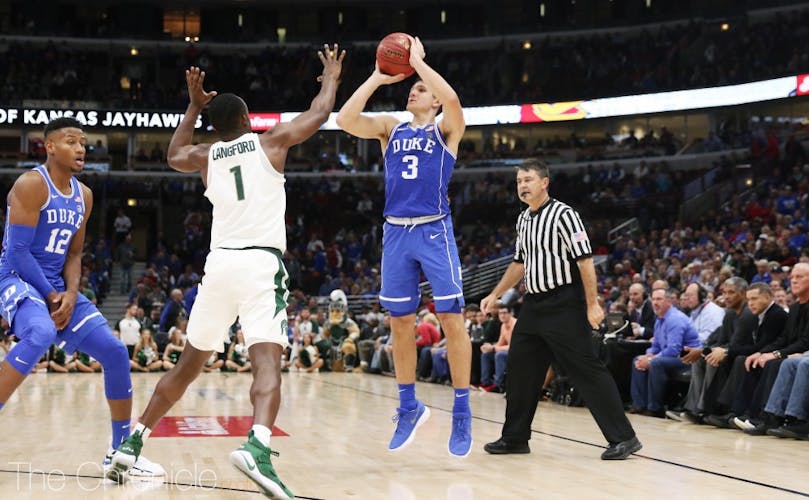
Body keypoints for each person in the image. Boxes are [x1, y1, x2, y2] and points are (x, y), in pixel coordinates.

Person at [108, 48, 344, 499]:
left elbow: (174, 152)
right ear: (248, 118)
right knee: (267, 359)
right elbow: (319, 112)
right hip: (259, 264)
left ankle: (132, 443)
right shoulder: (269, 141)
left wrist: (193, 106)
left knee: (188, 364)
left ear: (214, 124)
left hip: (218, 266)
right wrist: (329, 77)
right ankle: (257, 446)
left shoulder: (206, 154)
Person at [0, 117, 163, 479]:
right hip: (17, 278)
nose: (81, 149)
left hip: (58, 285)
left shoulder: (84, 195)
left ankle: (121, 454)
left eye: (84, 143)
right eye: (71, 141)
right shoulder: (30, 184)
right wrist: (53, 294)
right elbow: (18, 253)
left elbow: (74, 255)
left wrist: (72, 294)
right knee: (40, 333)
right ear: (50, 147)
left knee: (116, 352)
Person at [336, 35, 472, 457]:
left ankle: (463, 411)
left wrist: (418, 63)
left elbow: (450, 97)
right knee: (399, 323)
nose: (415, 89)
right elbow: (345, 119)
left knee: (450, 317)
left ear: (432, 102)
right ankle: (409, 406)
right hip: (395, 232)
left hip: (434, 230)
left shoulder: (446, 127)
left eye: (421, 89)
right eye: (412, 85)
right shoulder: (391, 129)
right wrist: (378, 77)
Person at [480, 158, 641, 460]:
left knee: (586, 369)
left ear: (544, 182)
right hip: (534, 304)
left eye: (528, 179)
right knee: (520, 371)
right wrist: (495, 294)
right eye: (518, 181)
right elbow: (519, 263)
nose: (522, 186)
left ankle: (623, 437)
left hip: (565, 302)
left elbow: (585, 261)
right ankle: (515, 438)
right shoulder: (523, 219)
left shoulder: (566, 215)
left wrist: (592, 304)